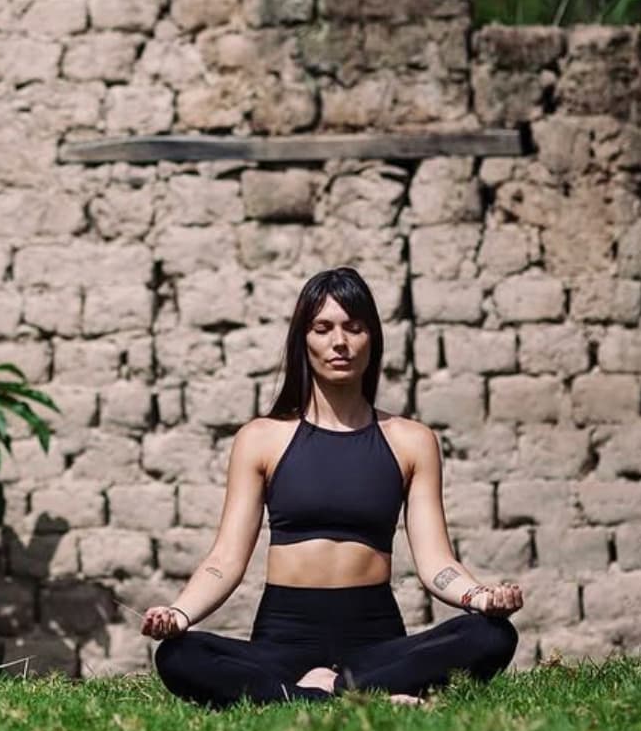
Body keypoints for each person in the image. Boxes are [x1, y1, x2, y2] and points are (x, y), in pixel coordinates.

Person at [142, 267, 523, 708]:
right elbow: (225, 560)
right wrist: (179, 613)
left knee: (491, 635)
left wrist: (480, 597)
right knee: (179, 655)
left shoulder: (411, 441)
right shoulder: (262, 438)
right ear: (304, 341)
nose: (339, 342)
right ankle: (358, 699)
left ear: (371, 340)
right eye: (323, 329)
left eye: (354, 328)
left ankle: (324, 695)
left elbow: (437, 561)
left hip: (376, 643)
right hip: (282, 642)